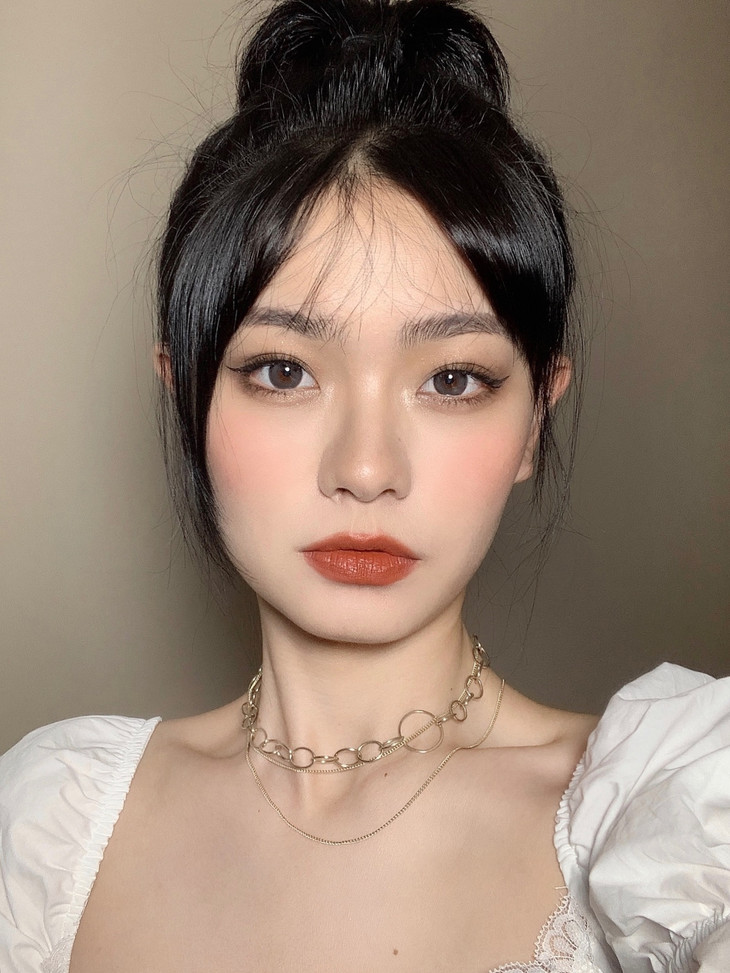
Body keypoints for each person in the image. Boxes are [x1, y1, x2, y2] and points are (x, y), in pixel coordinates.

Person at [1, 1, 728, 971]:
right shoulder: (50, 829)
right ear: (188, 398)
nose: (366, 470)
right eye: (283, 371)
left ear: (534, 420)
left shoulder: (678, 826)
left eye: (452, 380)